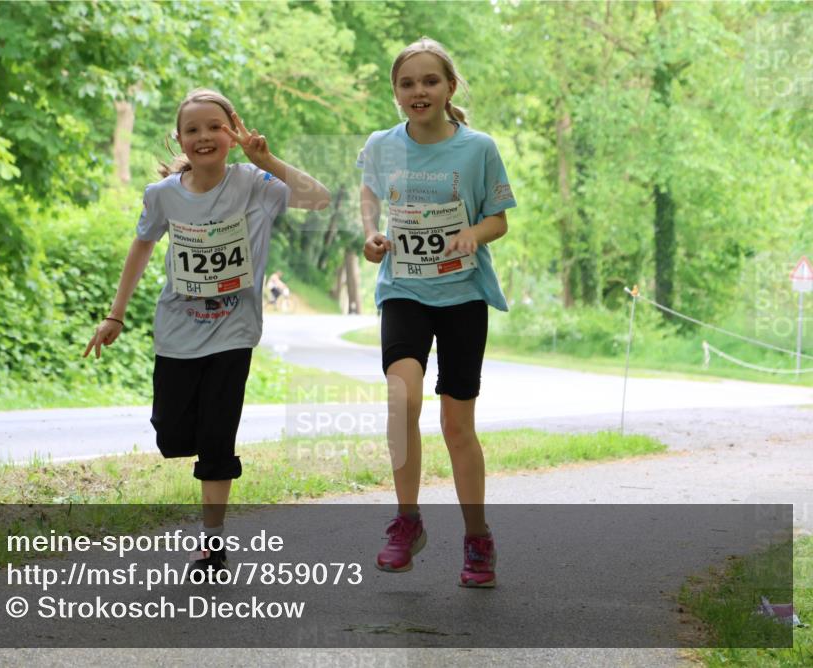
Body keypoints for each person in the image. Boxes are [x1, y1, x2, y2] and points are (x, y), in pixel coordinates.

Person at [84, 88, 330, 577]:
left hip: (234, 333)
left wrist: (269, 158)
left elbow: (319, 199)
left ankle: (212, 545)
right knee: (172, 437)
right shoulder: (163, 195)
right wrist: (115, 314)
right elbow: (141, 246)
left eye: (214, 126)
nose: (203, 137)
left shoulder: (255, 182)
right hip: (177, 332)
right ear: (180, 138)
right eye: (192, 129)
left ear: (232, 133)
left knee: (218, 442)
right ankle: (195, 452)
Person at [358, 38, 516, 587]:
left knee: (456, 424)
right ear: (396, 93)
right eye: (407, 83)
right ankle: (407, 522)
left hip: (463, 296)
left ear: (450, 87)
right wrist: (371, 237)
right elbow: (368, 199)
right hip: (403, 289)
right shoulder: (381, 145)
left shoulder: (478, 148)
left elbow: (498, 219)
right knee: (402, 398)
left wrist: (471, 233)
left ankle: (477, 538)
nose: (418, 91)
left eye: (430, 81)